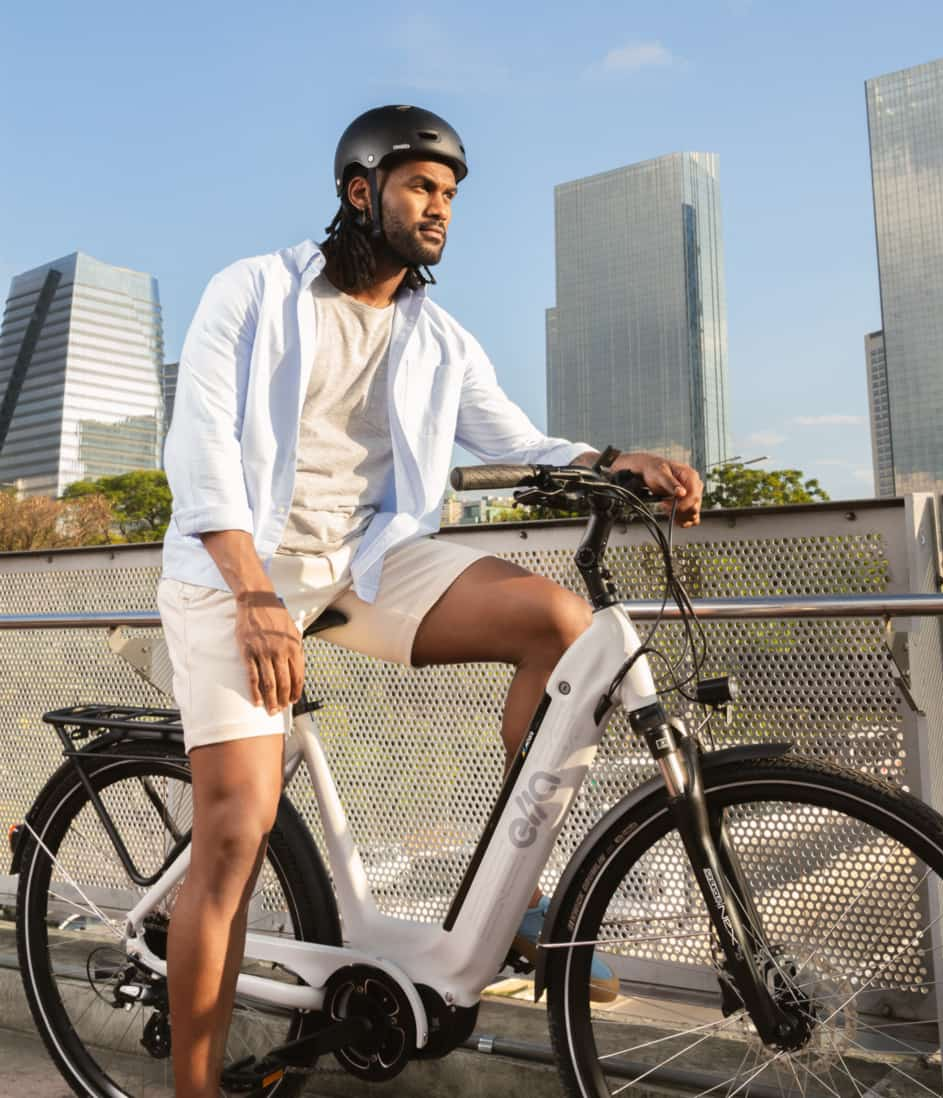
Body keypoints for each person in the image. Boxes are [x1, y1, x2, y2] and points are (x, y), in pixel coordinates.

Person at [158, 104, 703, 1097]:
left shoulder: (437, 336)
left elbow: (514, 438)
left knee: (557, 625)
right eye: (420, 186)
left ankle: (516, 896)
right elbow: (198, 461)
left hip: (361, 566)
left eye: (449, 194)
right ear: (360, 190)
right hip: (236, 576)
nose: (438, 207)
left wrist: (618, 462)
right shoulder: (252, 291)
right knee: (236, 831)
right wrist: (255, 597)